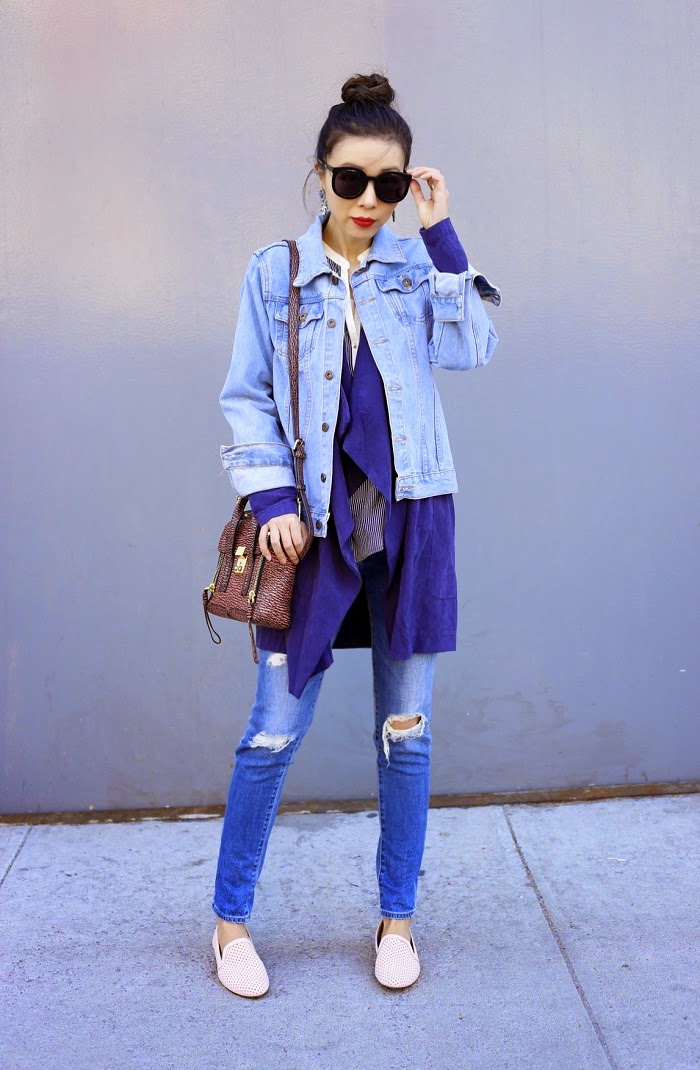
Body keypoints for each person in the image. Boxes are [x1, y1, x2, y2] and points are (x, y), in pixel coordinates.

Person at [210, 71, 501, 998]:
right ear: (320, 175)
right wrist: (272, 501)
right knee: (271, 734)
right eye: (351, 180)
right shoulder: (275, 273)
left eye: (389, 183)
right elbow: (247, 396)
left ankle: (396, 921)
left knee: (405, 735)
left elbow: (471, 348)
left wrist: (442, 235)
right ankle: (230, 925)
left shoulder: (416, 265)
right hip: (308, 532)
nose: (369, 200)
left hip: (411, 522)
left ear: (407, 184)